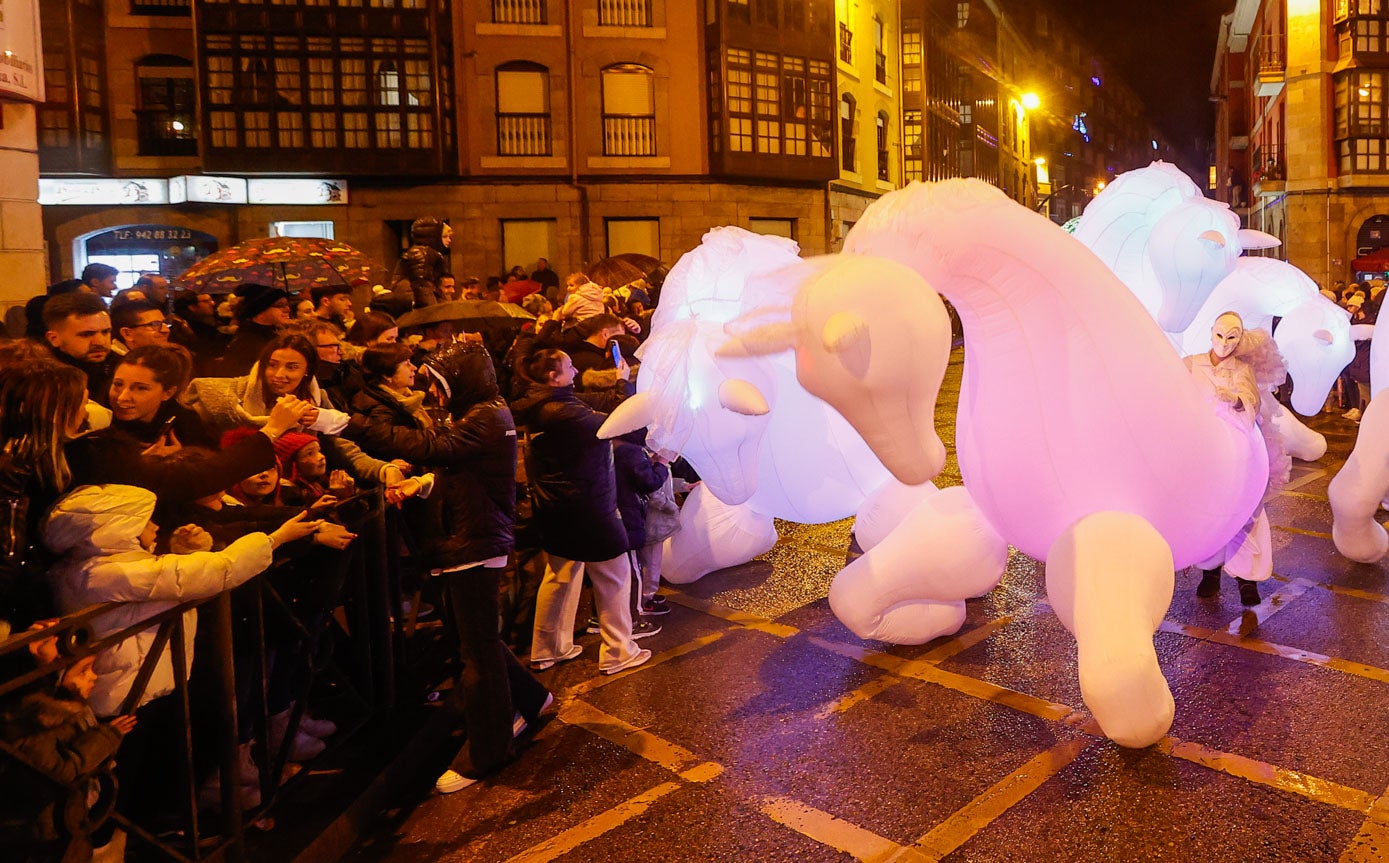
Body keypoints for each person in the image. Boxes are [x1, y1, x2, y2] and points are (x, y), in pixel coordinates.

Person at [41, 484, 322, 828]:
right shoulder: (106, 572)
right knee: (125, 786)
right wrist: (276, 538)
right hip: (124, 694)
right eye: (146, 522)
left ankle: (149, 829)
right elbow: (206, 573)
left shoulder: (100, 566)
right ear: (117, 531)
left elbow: (164, 580)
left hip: (133, 687)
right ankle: (126, 839)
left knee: (147, 772)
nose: (156, 527)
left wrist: (183, 551)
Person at [341, 341, 551, 793]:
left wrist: (340, 422)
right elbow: (458, 473)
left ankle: (489, 752)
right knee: (479, 642)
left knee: (477, 653)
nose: (432, 393)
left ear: (461, 381)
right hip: (466, 538)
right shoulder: (478, 414)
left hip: (473, 543)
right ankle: (534, 699)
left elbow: (428, 445)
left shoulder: (485, 417)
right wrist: (423, 486)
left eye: (437, 384)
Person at [511, 349, 650, 676]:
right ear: (552, 376)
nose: (576, 370)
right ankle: (618, 651)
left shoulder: (542, 403)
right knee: (614, 577)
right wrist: (636, 396)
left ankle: (548, 648)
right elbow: (613, 424)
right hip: (588, 507)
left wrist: (619, 383)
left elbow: (599, 400)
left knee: (559, 576)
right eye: (569, 366)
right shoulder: (562, 412)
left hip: (555, 507)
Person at [0, 642, 134, 863]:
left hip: (61, 817)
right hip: (42, 825)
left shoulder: (69, 709)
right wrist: (106, 736)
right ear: (57, 679)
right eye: (83, 671)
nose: (94, 677)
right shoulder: (41, 722)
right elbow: (59, 771)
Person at [1184, 312, 1281, 605]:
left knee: (1245, 511)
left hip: (1239, 452)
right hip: (1203, 451)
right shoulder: (1190, 364)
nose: (1224, 343)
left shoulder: (1241, 370)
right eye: (1220, 335)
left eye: (1232, 336)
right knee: (1207, 510)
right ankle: (1209, 572)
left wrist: (1236, 400)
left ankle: (1246, 580)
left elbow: (1252, 404)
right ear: (1211, 332)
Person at [0, 345, 88, 634]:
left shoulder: (33, 456)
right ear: (58, 413)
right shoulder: (18, 466)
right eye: (81, 404)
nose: (87, 412)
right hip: (20, 606)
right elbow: (8, 552)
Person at [43, 292, 116, 405]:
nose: (100, 342)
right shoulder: (44, 383)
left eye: (105, 332)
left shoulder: (124, 367)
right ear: (54, 339)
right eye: (86, 334)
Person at [216, 283, 291, 376]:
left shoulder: (279, 335)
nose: (287, 309)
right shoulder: (245, 343)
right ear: (259, 310)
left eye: (287, 304)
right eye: (280, 305)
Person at [389, 217, 452, 310]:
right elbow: (422, 287)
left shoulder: (424, 253)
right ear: (434, 237)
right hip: (418, 310)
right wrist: (433, 312)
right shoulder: (423, 254)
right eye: (445, 236)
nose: (449, 240)